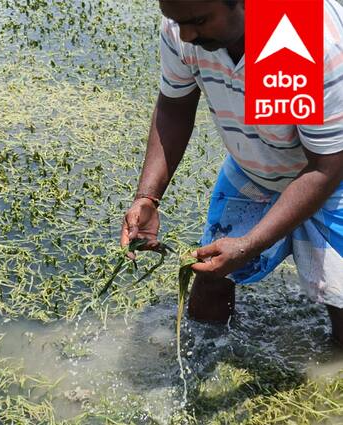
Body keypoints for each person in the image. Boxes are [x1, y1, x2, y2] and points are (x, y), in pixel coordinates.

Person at [120, 0, 343, 346]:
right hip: (258, 167)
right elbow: (174, 106)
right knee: (210, 274)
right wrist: (148, 197)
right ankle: (197, 359)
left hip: (335, 176)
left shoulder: (310, 42)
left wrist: (249, 244)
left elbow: (325, 167)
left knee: (340, 305)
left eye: (199, 21)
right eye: (178, 22)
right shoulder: (183, 26)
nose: (188, 34)